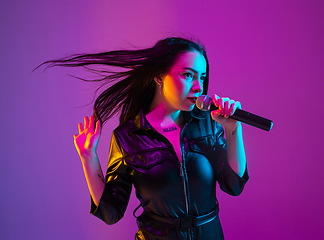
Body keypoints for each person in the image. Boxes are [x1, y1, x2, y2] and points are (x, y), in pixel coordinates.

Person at [41, 37, 249, 240]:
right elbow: (111, 212)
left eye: (202, 77)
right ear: (159, 76)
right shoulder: (128, 137)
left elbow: (233, 185)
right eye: (188, 75)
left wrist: (233, 129)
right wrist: (88, 158)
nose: (198, 87)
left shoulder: (208, 124)